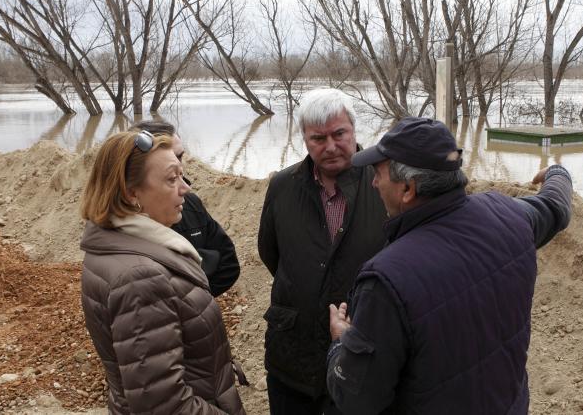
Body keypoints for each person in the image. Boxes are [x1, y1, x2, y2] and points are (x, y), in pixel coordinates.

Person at [325, 117, 573, 414]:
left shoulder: (386, 281)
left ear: (408, 189)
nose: (374, 182)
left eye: (378, 173)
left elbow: (357, 399)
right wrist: (559, 172)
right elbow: (555, 207)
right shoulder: (509, 215)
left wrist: (342, 342)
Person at [79, 129, 245, 414]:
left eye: (182, 175)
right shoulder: (139, 277)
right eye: (171, 179)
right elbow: (163, 405)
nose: (185, 188)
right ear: (132, 194)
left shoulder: (124, 245)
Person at [257, 89, 387, 414]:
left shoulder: (384, 184)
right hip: (292, 358)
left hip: (361, 356)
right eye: (318, 138)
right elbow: (271, 253)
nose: (330, 146)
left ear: (355, 131)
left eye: (339, 134)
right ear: (303, 138)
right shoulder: (283, 187)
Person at [131, 120, 240, 297]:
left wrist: (196, 301)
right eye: (169, 160)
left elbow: (228, 264)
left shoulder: (191, 204)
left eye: (180, 156)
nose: (178, 166)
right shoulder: (118, 230)